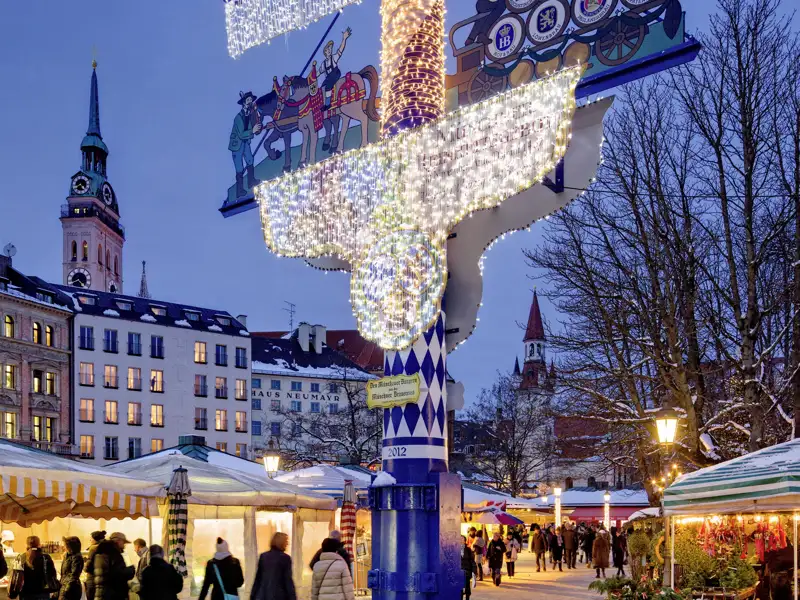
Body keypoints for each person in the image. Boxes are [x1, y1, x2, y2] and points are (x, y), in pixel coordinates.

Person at [229, 91, 263, 198]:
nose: (250, 102)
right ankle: (239, 191)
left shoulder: (249, 114)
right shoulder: (238, 117)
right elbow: (241, 134)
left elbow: (251, 129)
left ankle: (251, 181)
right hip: (237, 145)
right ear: (244, 103)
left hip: (246, 143)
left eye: (250, 100)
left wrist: (256, 128)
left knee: (250, 160)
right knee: (239, 168)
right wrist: (252, 131)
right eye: (248, 100)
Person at [10, 535, 59, 600]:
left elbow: (15, 576)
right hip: (42, 592)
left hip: (25, 593)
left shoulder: (20, 557)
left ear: (26, 545)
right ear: (39, 544)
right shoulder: (46, 557)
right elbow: (52, 574)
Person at [250, 532, 296, 600]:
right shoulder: (285, 558)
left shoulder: (263, 556)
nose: (287, 543)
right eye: (286, 541)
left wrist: (252, 595)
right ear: (281, 542)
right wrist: (292, 597)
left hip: (262, 595)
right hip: (278, 596)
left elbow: (258, 579)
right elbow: (288, 580)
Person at [94, 532, 135, 600]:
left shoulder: (100, 552)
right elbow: (118, 574)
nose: (124, 545)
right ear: (118, 541)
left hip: (102, 592)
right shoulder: (114, 554)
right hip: (113, 594)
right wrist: (131, 570)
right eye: (123, 542)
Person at [84, 531, 107, 600]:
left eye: (91, 538)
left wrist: (85, 566)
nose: (90, 540)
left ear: (95, 539)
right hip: (104, 580)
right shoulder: (107, 547)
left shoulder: (93, 548)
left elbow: (88, 567)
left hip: (93, 578)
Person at [460, 536, 476, 600]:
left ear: (464, 541)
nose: (460, 541)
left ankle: (467, 597)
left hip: (467, 570)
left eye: (462, 539)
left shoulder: (468, 550)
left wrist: (474, 571)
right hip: (459, 571)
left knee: (467, 585)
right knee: (459, 587)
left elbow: (472, 561)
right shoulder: (455, 549)